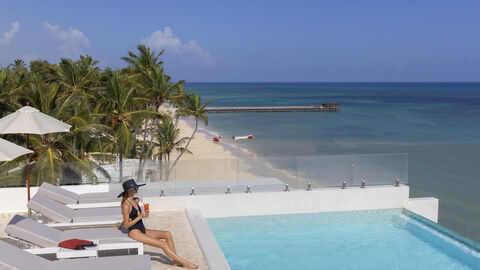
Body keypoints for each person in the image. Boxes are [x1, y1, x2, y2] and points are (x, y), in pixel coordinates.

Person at [119, 179, 199, 269]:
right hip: (134, 232)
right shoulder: (126, 205)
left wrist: (119, 226)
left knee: (167, 234)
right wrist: (140, 216)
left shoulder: (135, 200)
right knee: (163, 244)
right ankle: (184, 263)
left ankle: (176, 261)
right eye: (135, 188)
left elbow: (125, 219)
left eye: (137, 187)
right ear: (128, 190)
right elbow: (127, 225)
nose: (137, 189)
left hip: (141, 229)